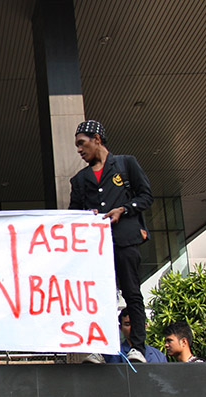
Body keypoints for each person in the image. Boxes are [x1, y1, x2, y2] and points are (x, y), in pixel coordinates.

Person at [69, 120, 153, 363]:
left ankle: (138, 347)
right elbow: (73, 213)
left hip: (126, 241)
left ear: (97, 139)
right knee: (99, 297)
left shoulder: (126, 164)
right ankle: (100, 348)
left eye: (82, 143)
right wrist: (86, 218)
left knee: (132, 294)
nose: (79, 150)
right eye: (76, 145)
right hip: (98, 249)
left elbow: (146, 196)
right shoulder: (80, 180)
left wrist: (124, 210)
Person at [101, 308, 166, 363]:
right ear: (120, 327)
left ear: (145, 326)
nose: (132, 328)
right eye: (127, 324)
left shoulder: (158, 355)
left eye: (136, 324)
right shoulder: (113, 355)